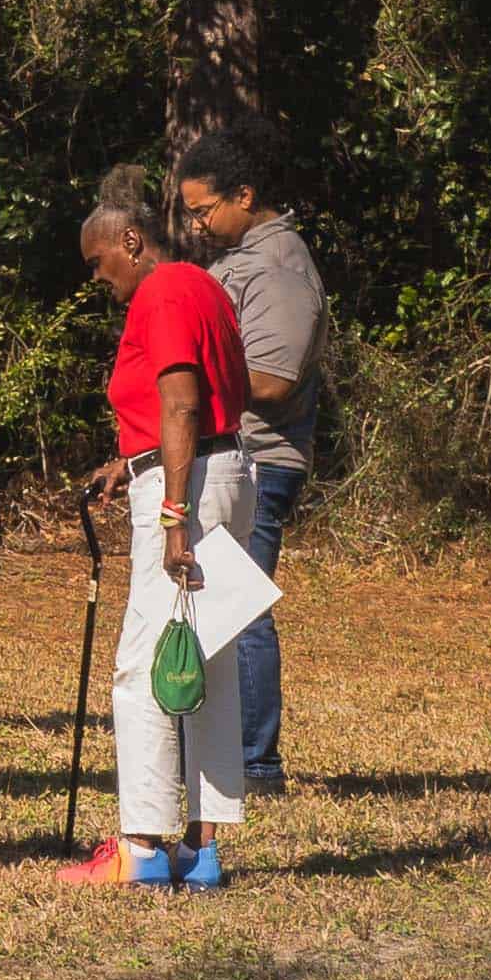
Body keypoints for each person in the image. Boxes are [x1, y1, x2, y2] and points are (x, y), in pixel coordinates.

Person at [78, 163, 250, 892]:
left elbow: (181, 403)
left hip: (190, 488)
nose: (95, 276)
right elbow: (181, 408)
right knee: (204, 660)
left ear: (130, 237)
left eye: (97, 260)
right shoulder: (201, 283)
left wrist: (172, 514)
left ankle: (142, 845)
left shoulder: (163, 289)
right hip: (214, 470)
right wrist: (132, 460)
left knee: (143, 661)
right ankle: (202, 851)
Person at [170, 116, 325, 795]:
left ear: (244, 194)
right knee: (222, 602)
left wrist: (187, 376)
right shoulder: (241, 260)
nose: (197, 224)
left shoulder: (278, 265)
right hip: (235, 453)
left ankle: (255, 762)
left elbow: (272, 377)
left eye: (204, 210)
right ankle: (228, 751)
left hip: (262, 458)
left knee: (241, 606)